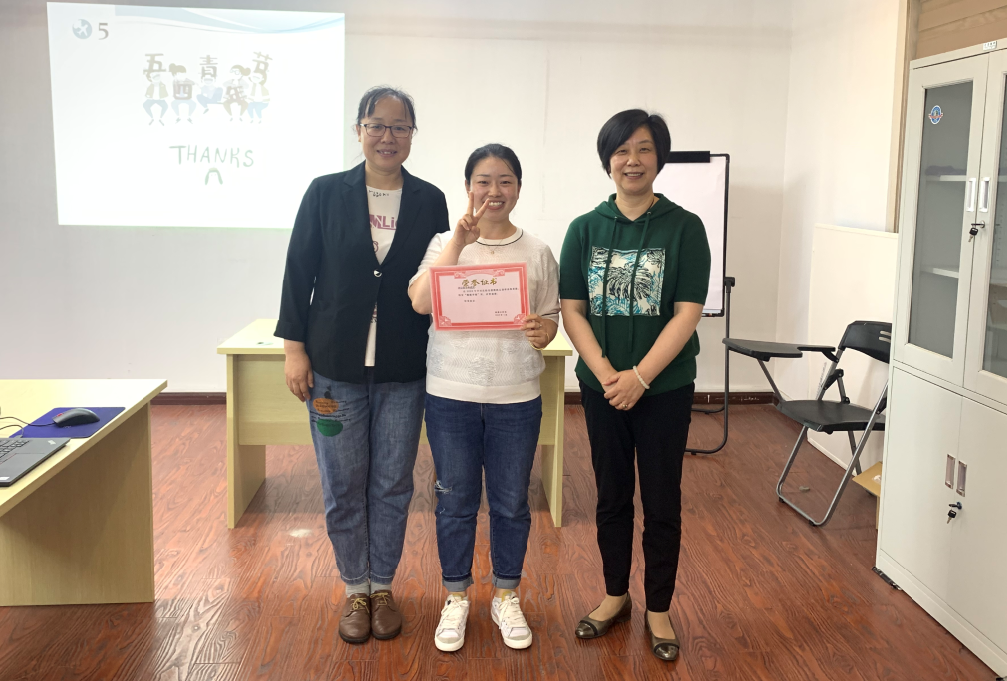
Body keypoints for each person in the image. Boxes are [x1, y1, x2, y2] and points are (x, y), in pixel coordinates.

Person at [275, 86, 449, 644]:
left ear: (412, 135)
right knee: (343, 483)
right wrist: (294, 349)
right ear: (358, 130)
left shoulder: (430, 200)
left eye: (400, 127)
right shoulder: (325, 193)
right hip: (333, 367)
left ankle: (382, 586)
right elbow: (299, 272)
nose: (387, 136)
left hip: (404, 367)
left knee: (393, 483)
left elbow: (441, 278)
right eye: (377, 125)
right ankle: (355, 587)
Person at [558, 109, 711, 662]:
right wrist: (606, 374)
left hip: (664, 389)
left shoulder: (685, 227)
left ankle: (659, 608)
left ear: (659, 158)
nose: (632, 160)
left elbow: (687, 313)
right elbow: (572, 309)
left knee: (663, 500)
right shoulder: (584, 228)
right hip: (602, 389)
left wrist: (641, 377)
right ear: (608, 160)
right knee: (611, 495)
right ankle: (615, 595)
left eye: (644, 149)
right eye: (621, 150)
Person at [408, 144, 559, 652]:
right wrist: (458, 241)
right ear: (468, 187)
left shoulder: (537, 251)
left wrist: (543, 331)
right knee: (454, 500)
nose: (494, 191)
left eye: (505, 181)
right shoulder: (443, 243)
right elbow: (420, 302)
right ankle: (456, 596)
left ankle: (505, 594)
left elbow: (550, 317)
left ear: (519, 187)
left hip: (516, 396)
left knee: (511, 502)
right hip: (450, 395)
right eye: (483, 181)